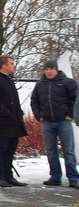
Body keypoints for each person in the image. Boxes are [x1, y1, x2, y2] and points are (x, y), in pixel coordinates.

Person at [30, 60, 79, 188]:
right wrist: (38, 115)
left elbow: (76, 99)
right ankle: (55, 176)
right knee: (51, 151)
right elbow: (34, 100)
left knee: (68, 150)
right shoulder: (40, 85)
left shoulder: (68, 83)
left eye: (51, 69)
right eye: (46, 69)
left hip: (64, 121)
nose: (48, 71)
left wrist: (70, 113)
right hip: (47, 122)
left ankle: (73, 178)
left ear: (56, 69)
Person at [0, 55, 28, 188]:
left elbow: (14, 100)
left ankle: (9, 176)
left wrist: (19, 113)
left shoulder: (9, 80)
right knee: (1, 149)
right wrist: (7, 112)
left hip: (14, 121)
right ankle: (0, 177)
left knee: (10, 150)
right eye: (11, 63)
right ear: (4, 65)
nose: (13, 65)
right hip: (2, 121)